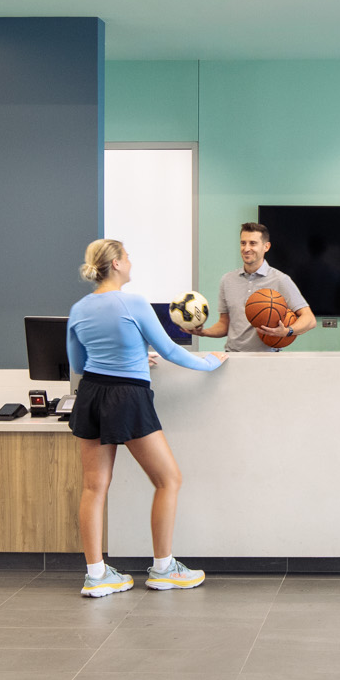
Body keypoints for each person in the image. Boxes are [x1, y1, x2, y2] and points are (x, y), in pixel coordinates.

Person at [66, 238, 226, 598]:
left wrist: (135, 354)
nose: (131, 261)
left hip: (91, 395)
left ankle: (96, 575)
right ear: (118, 264)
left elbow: (78, 365)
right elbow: (171, 350)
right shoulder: (133, 303)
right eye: (128, 256)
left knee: (94, 487)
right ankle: (164, 568)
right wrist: (209, 363)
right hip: (128, 396)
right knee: (168, 480)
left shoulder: (78, 309)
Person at [189, 222, 317, 352]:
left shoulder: (280, 280)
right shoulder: (227, 280)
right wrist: (204, 332)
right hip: (233, 357)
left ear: (266, 247)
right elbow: (224, 324)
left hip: (268, 359)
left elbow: (309, 319)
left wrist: (288, 331)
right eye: (243, 243)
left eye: (253, 243)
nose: (246, 248)